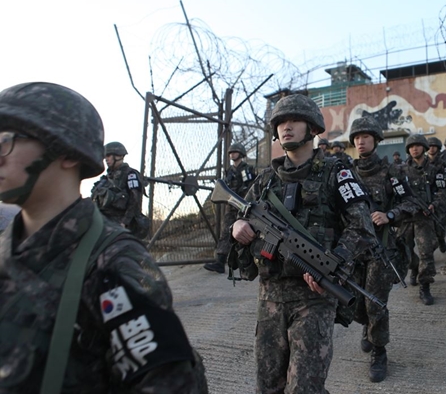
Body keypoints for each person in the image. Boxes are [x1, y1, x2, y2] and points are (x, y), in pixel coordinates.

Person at [0, 82, 207, 393]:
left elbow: (134, 204)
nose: (110, 160)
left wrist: (121, 231)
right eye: (108, 156)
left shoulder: (113, 266)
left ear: (66, 151)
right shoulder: (9, 245)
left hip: (118, 230)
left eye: (6, 141)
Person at [230, 93, 377, 393]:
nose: (286, 127)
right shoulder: (265, 180)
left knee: (305, 388)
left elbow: (362, 227)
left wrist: (335, 260)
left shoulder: (337, 173)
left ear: (312, 128)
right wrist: (237, 226)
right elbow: (238, 217)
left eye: (295, 120)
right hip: (269, 298)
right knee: (267, 386)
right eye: (281, 122)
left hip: (314, 298)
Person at [348, 116, 417, 382]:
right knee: (354, 302)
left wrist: (390, 214)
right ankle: (366, 326)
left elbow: (411, 202)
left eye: (366, 137)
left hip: (380, 249)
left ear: (376, 140)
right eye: (356, 137)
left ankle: (379, 350)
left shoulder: (391, 173)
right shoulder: (346, 173)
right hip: (352, 249)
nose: (360, 141)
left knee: (376, 301)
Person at [398, 134, 446, 305]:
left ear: (424, 148)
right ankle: (414, 266)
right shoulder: (401, 169)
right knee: (403, 251)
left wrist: (434, 204)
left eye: (418, 146)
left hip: (424, 218)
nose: (414, 149)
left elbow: (442, 192)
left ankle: (424, 286)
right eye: (411, 146)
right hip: (405, 217)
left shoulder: (435, 169)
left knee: (426, 252)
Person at [204, 142, 256, 274]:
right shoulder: (229, 171)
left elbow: (250, 186)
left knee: (246, 232)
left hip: (243, 205)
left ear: (241, 153)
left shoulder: (247, 168)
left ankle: (247, 261)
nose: (232, 154)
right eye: (230, 152)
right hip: (230, 205)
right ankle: (220, 261)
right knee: (226, 232)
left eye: (235, 152)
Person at [90, 141, 149, 239]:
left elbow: (135, 201)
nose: (106, 159)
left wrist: (124, 222)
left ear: (119, 156)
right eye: (105, 156)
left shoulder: (130, 174)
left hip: (121, 225)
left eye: (108, 155)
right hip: (104, 222)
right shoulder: (105, 179)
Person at [427, 136, 446, 254]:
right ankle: (430, 250)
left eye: (433, 146)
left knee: (440, 225)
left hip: (439, 197)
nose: (431, 148)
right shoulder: (422, 162)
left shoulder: (442, 164)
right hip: (425, 198)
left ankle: (441, 239)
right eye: (429, 146)